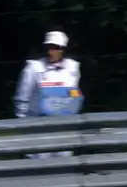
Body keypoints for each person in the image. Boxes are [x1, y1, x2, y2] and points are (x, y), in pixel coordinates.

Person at [14, 30, 84, 158]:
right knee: (39, 164)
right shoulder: (34, 68)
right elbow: (22, 97)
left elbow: (74, 93)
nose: (51, 51)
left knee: (64, 164)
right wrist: (25, 123)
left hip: (63, 127)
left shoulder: (73, 68)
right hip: (38, 127)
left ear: (63, 49)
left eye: (56, 48)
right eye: (48, 47)